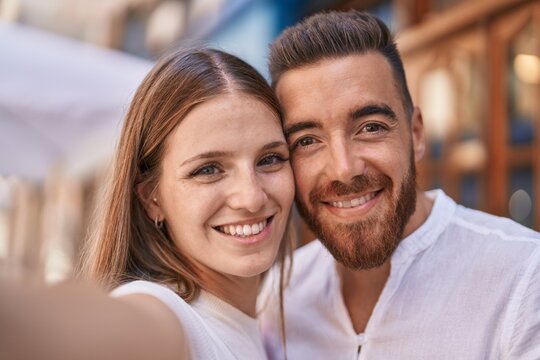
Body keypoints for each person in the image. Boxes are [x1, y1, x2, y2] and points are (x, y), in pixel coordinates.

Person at [258, 10, 540, 360]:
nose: (344, 170)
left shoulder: (524, 276)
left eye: (371, 127)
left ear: (416, 133)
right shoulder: (283, 294)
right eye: (307, 141)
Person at [0, 47, 294, 360]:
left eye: (270, 159)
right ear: (152, 198)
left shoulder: (263, 324)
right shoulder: (165, 314)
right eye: (207, 170)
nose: (251, 197)